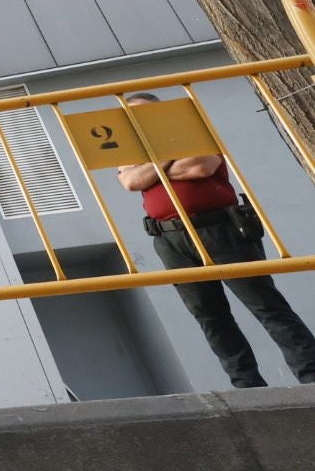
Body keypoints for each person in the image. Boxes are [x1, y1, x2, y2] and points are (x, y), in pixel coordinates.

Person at [116, 91, 315, 387]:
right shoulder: (128, 149)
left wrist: (153, 167)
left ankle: (310, 372)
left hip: (220, 228)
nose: (139, 121)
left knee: (264, 303)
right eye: (132, 116)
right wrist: (170, 160)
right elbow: (131, 182)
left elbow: (200, 167)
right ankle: (247, 385)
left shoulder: (193, 130)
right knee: (209, 316)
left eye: (145, 113)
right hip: (170, 239)